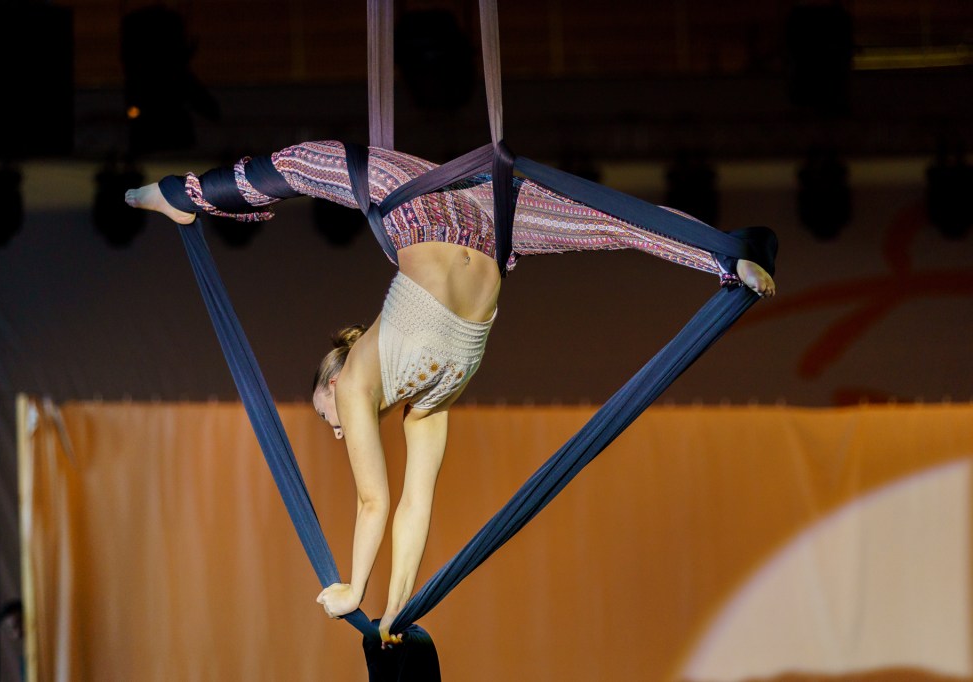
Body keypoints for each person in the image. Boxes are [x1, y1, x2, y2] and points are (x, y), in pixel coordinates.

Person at [126, 140, 775, 646]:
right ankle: (730, 257)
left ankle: (178, 193)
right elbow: (414, 506)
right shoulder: (427, 407)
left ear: (333, 380)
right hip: (491, 223)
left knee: (301, 165)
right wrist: (395, 609)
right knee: (613, 224)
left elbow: (373, 500)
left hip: (412, 204)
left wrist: (354, 588)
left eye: (327, 417)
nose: (338, 428)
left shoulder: (356, 383)